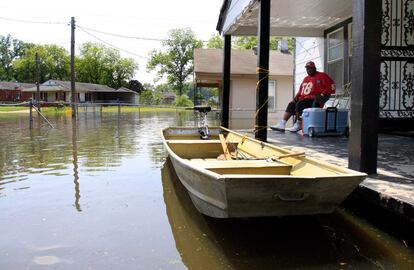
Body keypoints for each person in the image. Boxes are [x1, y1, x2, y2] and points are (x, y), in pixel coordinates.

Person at [272, 61, 336, 132]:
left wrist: (322, 95)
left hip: (315, 100)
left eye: (310, 68)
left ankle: (299, 124)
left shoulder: (322, 76)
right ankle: (282, 124)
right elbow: (301, 90)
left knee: (300, 104)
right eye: (307, 68)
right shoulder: (306, 78)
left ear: (314, 68)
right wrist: (296, 97)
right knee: (292, 104)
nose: (308, 70)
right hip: (304, 99)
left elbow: (331, 86)